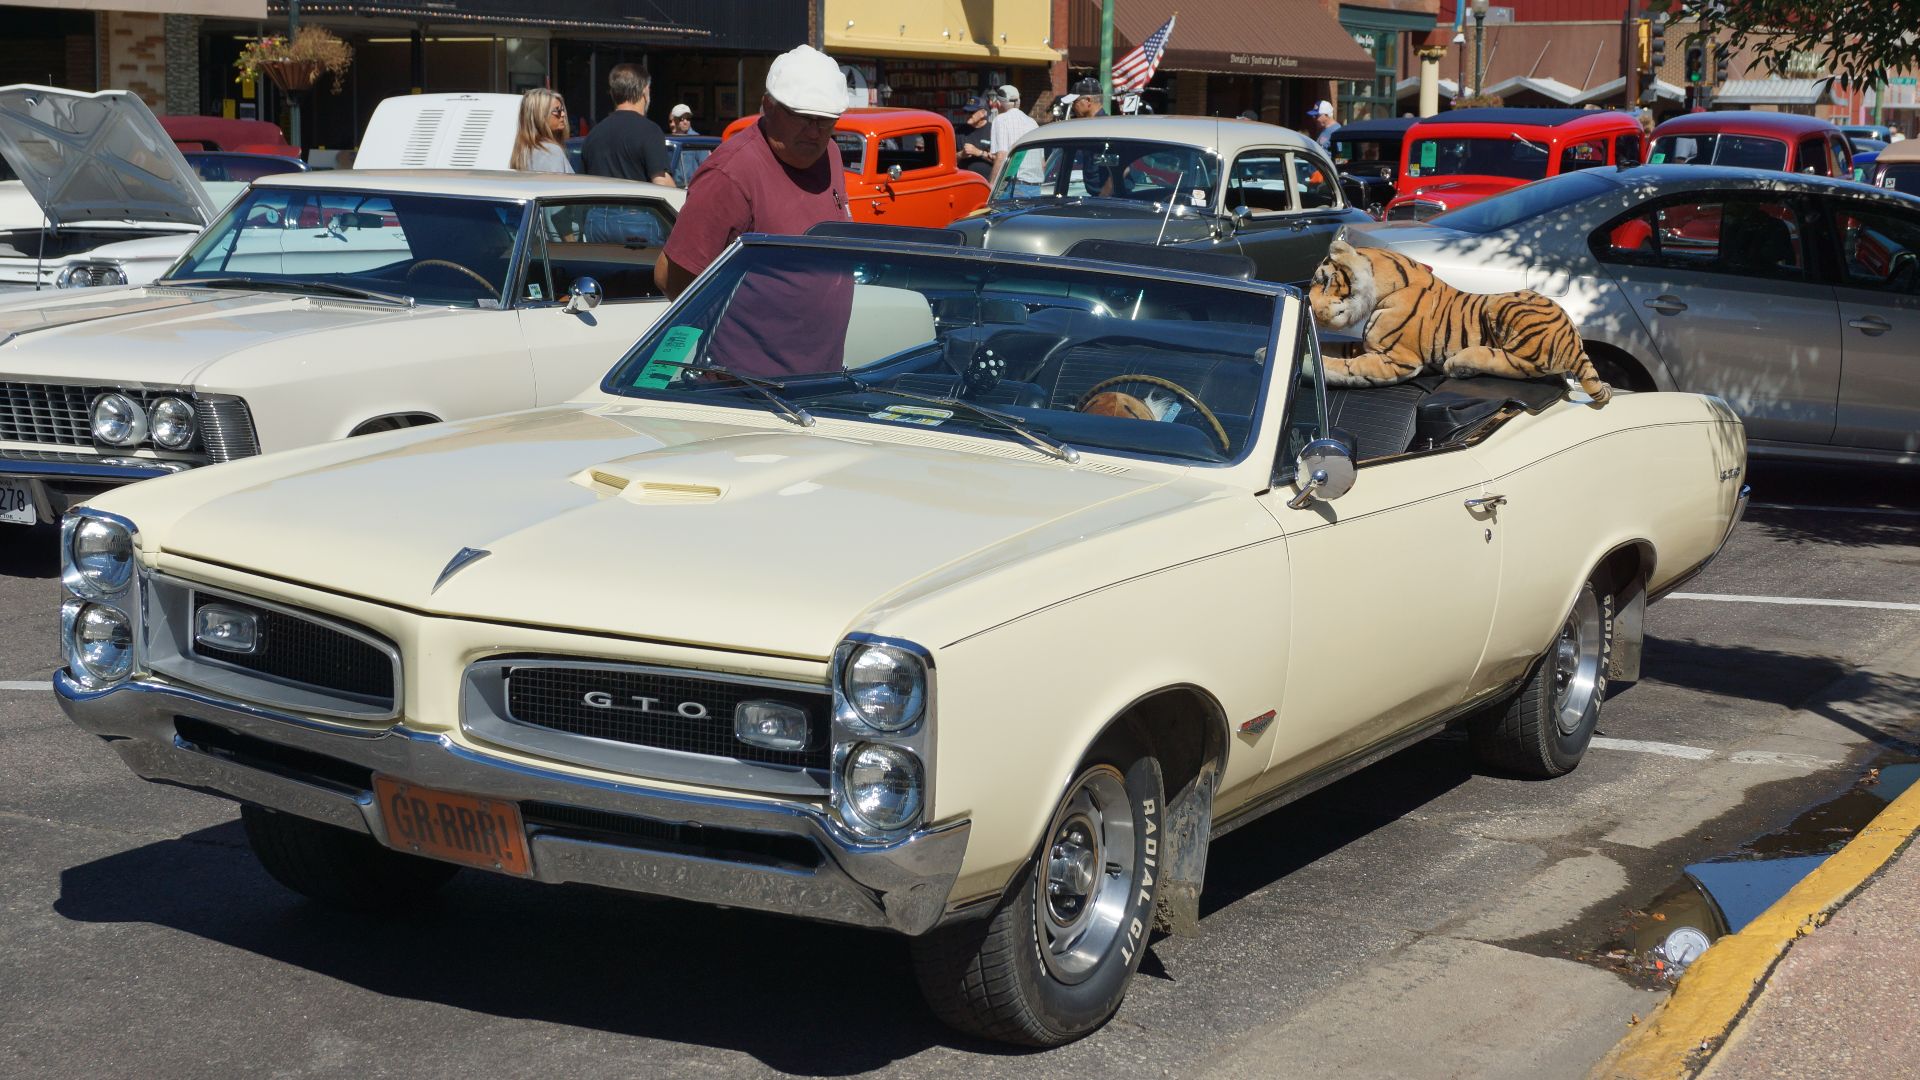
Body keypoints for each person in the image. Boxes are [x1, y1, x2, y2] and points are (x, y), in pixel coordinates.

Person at [653, 43, 854, 377]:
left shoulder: (828, 153)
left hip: (821, 378)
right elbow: (671, 276)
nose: (815, 131)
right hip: (748, 386)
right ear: (768, 106)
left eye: (827, 120)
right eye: (803, 118)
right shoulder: (731, 173)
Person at [582, 63, 674, 187]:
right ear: (645, 90)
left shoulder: (593, 135)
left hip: (599, 205)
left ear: (613, 94)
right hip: (638, 206)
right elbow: (661, 182)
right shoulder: (650, 131)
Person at [987, 85, 1043, 195]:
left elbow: (1001, 156)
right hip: (1036, 186)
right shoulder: (1032, 122)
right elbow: (1042, 163)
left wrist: (992, 185)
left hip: (1013, 185)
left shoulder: (1000, 120)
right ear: (1018, 102)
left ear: (998, 103)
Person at [510, 88, 573, 173]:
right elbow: (556, 184)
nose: (563, 114)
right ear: (540, 116)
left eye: (562, 110)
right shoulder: (550, 151)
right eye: (557, 110)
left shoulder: (523, 151)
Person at [955, 96, 993, 178]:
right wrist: (960, 154)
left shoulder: (994, 130)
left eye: (971, 112)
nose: (967, 115)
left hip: (987, 183)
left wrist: (978, 152)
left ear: (983, 113)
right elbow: (948, 161)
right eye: (965, 111)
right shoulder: (958, 132)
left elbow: (1001, 161)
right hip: (964, 182)